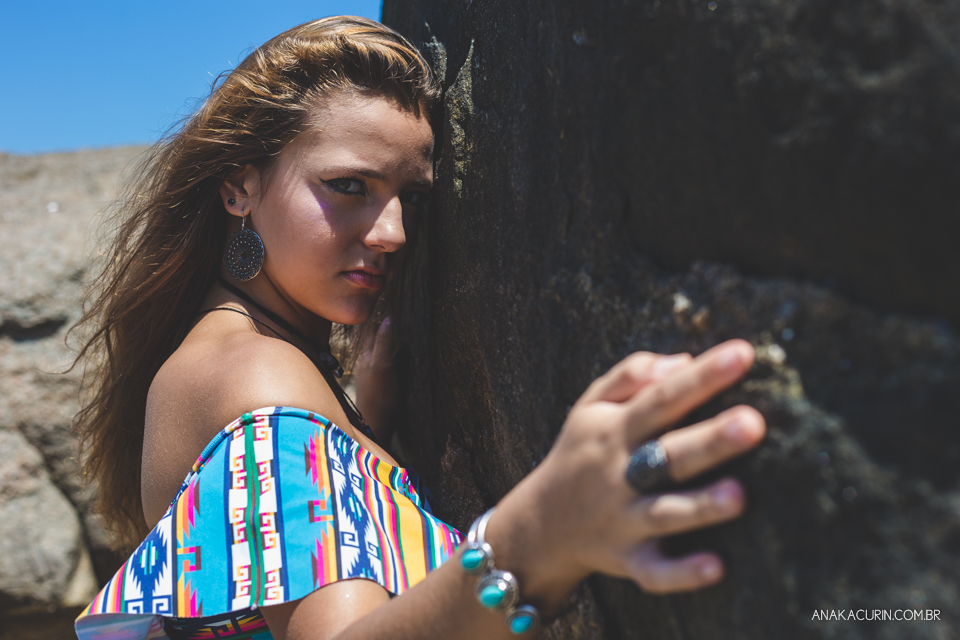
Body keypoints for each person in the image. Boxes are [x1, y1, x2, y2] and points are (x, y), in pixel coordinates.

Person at [72, 16, 766, 640]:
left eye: (411, 199)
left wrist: (360, 430)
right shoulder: (255, 378)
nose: (395, 233)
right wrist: (542, 534)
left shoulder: (222, 363)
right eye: (349, 187)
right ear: (238, 188)